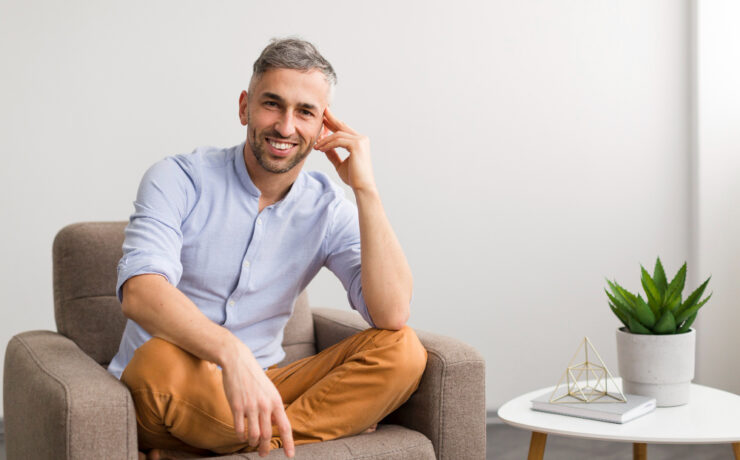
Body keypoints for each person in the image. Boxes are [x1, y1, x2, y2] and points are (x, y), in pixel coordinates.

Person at [109, 38, 427, 459]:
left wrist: (365, 190)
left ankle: (219, 446)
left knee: (403, 350)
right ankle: (303, 429)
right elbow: (140, 291)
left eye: (305, 112)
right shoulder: (178, 178)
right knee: (156, 361)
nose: (286, 126)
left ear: (322, 129)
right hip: (173, 382)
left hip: (266, 385)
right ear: (245, 107)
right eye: (272, 104)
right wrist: (230, 353)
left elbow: (390, 314)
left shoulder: (327, 206)